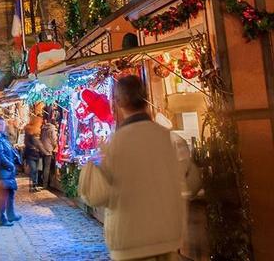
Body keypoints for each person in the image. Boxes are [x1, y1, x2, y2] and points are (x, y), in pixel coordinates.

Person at [79, 75, 201, 261]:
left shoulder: (115, 144)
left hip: (129, 241)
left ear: (118, 102)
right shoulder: (170, 138)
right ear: (145, 99)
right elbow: (192, 183)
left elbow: (96, 196)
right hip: (168, 237)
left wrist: (92, 168)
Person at [0, 116, 21, 226]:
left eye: (4, 124)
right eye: (0, 124)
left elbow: (7, 151)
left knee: (10, 192)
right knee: (3, 195)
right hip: (2, 170)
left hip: (6, 171)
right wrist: (10, 165)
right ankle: (1, 219)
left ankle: (11, 214)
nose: (3, 126)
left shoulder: (2, 137)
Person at [23, 117, 44, 192]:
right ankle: (32, 185)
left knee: (36, 170)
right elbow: (26, 142)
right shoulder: (29, 131)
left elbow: (38, 143)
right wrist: (34, 147)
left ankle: (35, 185)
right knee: (33, 169)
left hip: (36, 154)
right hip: (30, 154)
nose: (41, 124)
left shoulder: (37, 131)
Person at [40, 114, 59, 189]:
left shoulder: (44, 128)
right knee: (47, 167)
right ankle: (45, 184)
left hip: (43, 149)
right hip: (48, 150)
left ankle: (42, 182)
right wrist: (55, 146)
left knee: (44, 166)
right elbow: (54, 140)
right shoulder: (52, 129)